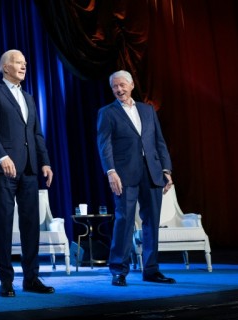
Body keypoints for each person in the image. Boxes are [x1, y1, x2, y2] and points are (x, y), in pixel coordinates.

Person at [0, 49, 55, 297]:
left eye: (25, 63)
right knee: (3, 225)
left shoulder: (29, 97)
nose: (23, 66)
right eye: (17, 62)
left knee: (31, 226)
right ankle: (6, 281)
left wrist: (44, 162)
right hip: (3, 170)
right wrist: (2, 157)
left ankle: (31, 278)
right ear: (5, 67)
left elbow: (36, 134)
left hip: (30, 169)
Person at [97, 70, 175, 287]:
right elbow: (105, 145)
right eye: (114, 87)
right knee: (124, 221)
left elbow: (159, 142)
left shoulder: (147, 110)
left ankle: (151, 269)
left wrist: (166, 170)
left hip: (152, 172)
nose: (119, 90)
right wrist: (111, 172)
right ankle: (118, 270)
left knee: (152, 222)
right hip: (124, 174)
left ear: (131, 85)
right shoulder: (107, 112)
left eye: (122, 85)